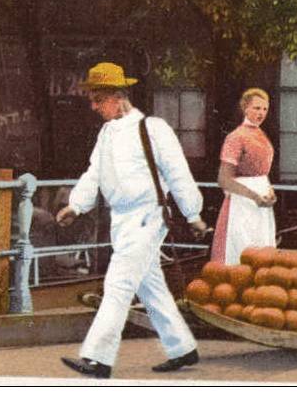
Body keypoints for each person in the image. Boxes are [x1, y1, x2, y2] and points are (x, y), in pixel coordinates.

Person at [56, 62, 208, 379]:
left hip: (148, 216)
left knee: (119, 283)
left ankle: (98, 358)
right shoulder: (107, 133)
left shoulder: (152, 129)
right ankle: (182, 347)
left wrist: (192, 213)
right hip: (122, 219)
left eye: (98, 99)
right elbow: (94, 172)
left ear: (117, 96)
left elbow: (177, 172)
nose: (94, 106)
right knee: (150, 285)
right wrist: (76, 205)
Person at [210, 88, 277, 265]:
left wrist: (270, 191)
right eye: (256, 108)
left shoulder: (262, 135)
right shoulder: (236, 137)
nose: (261, 113)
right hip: (241, 204)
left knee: (262, 254)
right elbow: (223, 179)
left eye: (264, 109)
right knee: (240, 253)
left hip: (262, 205)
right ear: (245, 108)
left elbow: (262, 173)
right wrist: (254, 197)